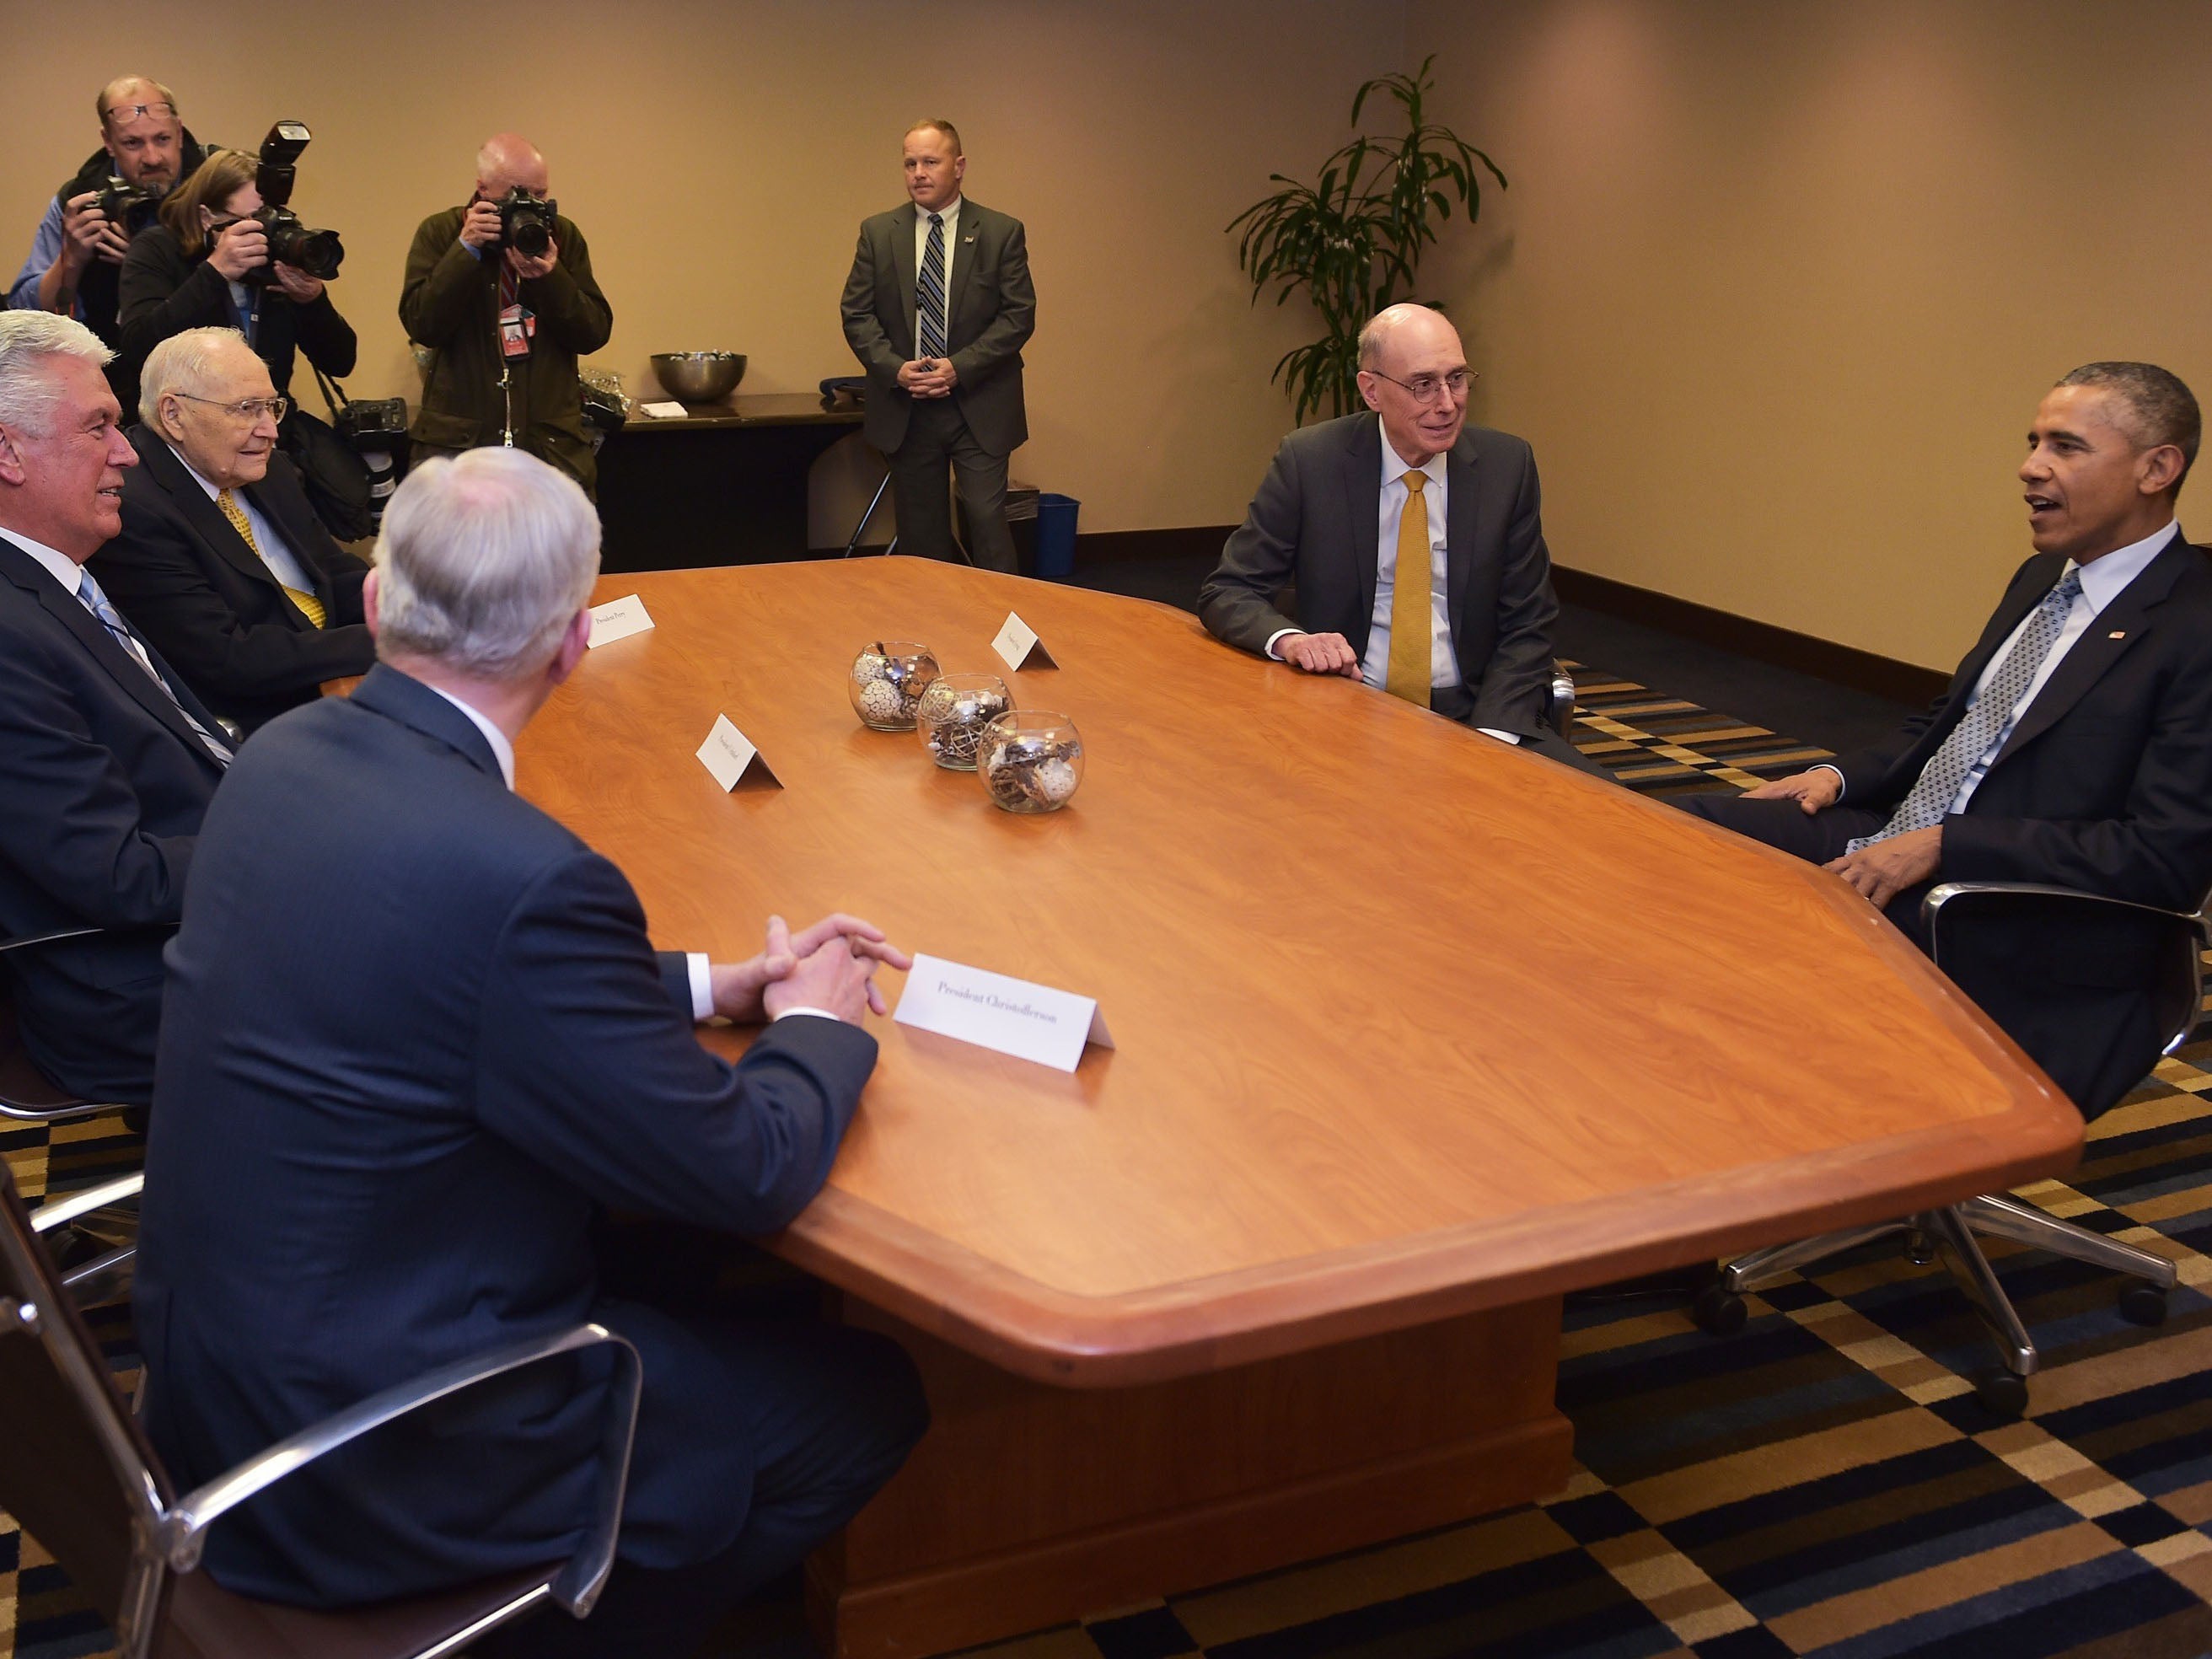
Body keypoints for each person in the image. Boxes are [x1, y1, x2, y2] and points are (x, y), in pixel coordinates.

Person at [134, 447, 927, 1658]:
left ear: (372, 606)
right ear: (570, 643)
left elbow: (433, 975)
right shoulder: (526, 877)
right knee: (865, 1402)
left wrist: (713, 984)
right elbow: (747, 1171)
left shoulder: (285, 757)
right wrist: (820, 1018)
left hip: (212, 1391)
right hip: (371, 1457)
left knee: (667, 1274)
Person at [1683, 362, 2212, 1119]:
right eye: (2033, 442)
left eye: (2065, 447)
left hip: (2023, 911)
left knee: (1766, 952)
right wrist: (1836, 776)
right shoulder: (2043, 578)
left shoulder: (2195, 627)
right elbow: (1950, 724)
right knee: (1686, 838)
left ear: (2158, 468)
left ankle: (1727, 1163)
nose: (2030, 467)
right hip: (1907, 836)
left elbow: (2163, 857)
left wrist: (1948, 845)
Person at [1198, 303, 1600, 776]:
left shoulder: (1506, 467)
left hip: (1477, 713)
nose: (1447, 403)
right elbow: (1229, 591)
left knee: (1631, 827)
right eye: (1423, 385)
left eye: (1457, 379)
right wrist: (1291, 641)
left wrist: (1489, 741)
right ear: (1372, 390)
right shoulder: (1311, 462)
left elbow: (1529, 623)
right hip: (1345, 709)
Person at [0, 311, 228, 1107]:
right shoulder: (6, 631)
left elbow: (188, 747)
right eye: (99, 425)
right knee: (472, 986)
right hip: (140, 990)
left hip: (201, 916)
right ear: (8, 453)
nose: (129, 451)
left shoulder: (54, 578)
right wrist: (296, 842)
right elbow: (118, 877)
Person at [94, 328, 373, 733]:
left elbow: (333, 571)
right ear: (174, 414)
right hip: (265, 722)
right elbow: (228, 658)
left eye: (271, 407)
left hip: (336, 675)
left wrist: (420, 612)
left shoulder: (263, 466)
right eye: (246, 409)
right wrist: (387, 642)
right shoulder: (134, 506)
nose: (270, 430)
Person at [840, 119, 1034, 572]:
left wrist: (959, 367)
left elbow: (1017, 316)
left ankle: (997, 626)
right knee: (920, 531)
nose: (918, 173)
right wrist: (894, 368)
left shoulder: (1000, 231)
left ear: (959, 166)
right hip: (909, 407)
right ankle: (929, 629)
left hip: (978, 403)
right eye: (910, 163)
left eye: (931, 161)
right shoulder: (878, 232)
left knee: (986, 520)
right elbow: (857, 313)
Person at [400, 133, 612, 495]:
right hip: (462, 456)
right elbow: (424, 324)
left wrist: (551, 278)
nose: (529, 204)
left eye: (540, 194)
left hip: (549, 454)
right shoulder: (441, 233)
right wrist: (465, 252)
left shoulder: (562, 236)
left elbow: (593, 332)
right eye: (517, 193)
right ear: (483, 189)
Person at [8, 77, 217, 412]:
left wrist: (144, 264)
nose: (152, 157)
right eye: (133, 143)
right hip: (116, 384)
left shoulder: (216, 187)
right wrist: (71, 259)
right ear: (108, 142)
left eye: (162, 139)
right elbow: (27, 316)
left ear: (179, 131)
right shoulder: (79, 199)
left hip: (208, 374)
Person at [115, 148, 357, 405]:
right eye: (253, 221)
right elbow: (137, 348)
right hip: (189, 425)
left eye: (274, 218)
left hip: (271, 424)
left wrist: (313, 300)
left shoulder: (276, 261)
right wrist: (214, 273)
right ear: (207, 217)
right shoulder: (158, 248)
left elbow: (340, 363)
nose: (265, 233)